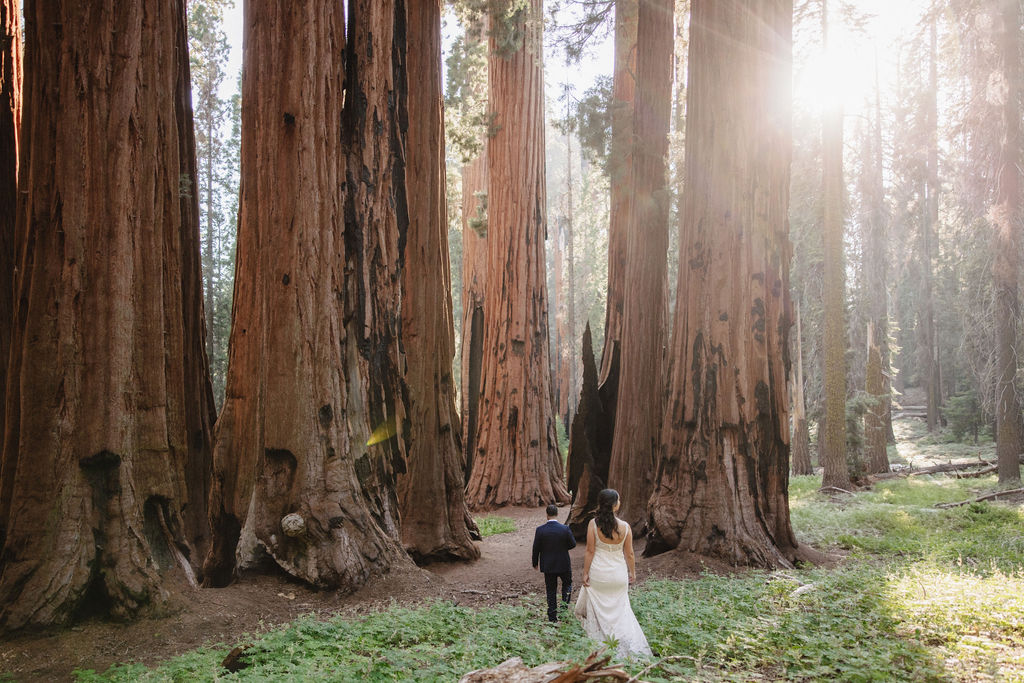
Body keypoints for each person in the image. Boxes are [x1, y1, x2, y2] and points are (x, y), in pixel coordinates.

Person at [576, 489, 651, 658]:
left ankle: (600, 649)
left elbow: (589, 551)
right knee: (621, 612)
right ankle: (628, 649)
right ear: (615, 505)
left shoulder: (593, 525)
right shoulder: (625, 527)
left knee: (599, 612)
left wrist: (585, 572)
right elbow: (630, 553)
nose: (620, 502)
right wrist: (632, 572)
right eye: (619, 500)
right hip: (618, 575)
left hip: (599, 575)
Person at [532, 503, 576, 622]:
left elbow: (536, 547)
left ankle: (552, 617)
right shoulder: (565, 529)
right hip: (563, 563)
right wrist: (563, 547)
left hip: (548, 565)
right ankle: (563, 611)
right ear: (557, 514)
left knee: (551, 589)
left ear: (547, 515)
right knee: (567, 585)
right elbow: (573, 544)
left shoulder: (540, 530)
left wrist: (535, 562)